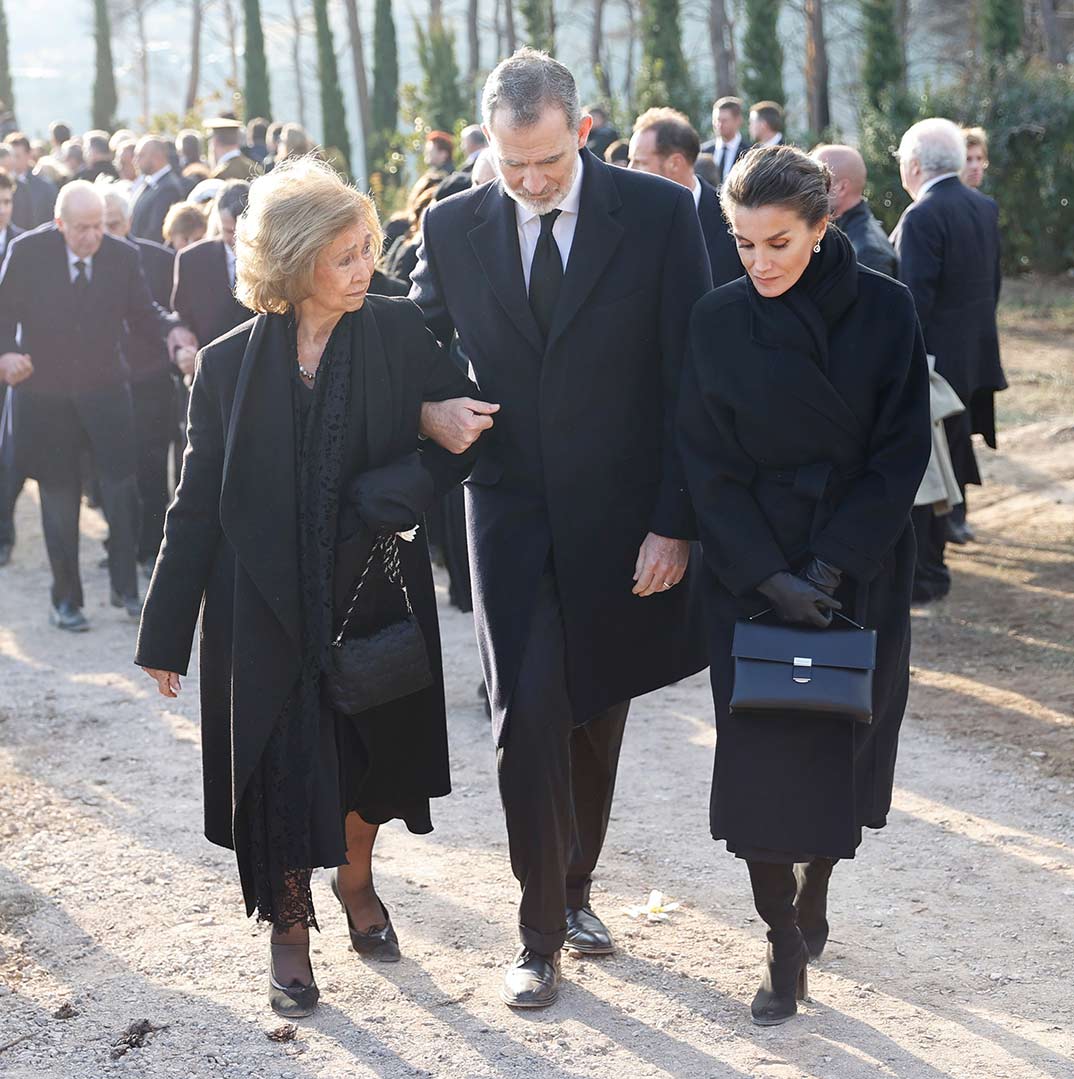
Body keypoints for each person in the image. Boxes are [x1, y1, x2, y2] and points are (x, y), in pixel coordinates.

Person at [134, 156, 480, 1019]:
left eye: (367, 248)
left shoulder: (399, 332)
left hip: (370, 588)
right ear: (292, 264)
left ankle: (355, 877)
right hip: (264, 606)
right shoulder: (223, 367)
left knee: (367, 755)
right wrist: (165, 630)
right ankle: (289, 927)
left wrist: (398, 481)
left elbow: (473, 432)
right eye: (345, 256)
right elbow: (197, 503)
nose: (366, 267)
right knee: (281, 764)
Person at [411, 48, 711, 1009]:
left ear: (582, 131)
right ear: (489, 144)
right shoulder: (452, 223)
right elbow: (419, 343)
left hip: (623, 516)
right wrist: (432, 410)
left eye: (546, 160)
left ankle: (576, 887)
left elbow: (687, 376)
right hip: (503, 508)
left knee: (595, 705)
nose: (532, 182)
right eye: (512, 163)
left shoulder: (660, 215)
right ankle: (537, 929)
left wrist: (674, 523)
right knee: (525, 708)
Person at [677, 145, 931, 1026]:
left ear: (823, 228)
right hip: (751, 572)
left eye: (778, 243)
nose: (759, 263)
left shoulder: (889, 311)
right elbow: (705, 464)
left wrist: (828, 566)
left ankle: (817, 885)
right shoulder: (716, 321)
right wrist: (769, 574)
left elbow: (903, 450)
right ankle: (781, 936)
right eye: (743, 244)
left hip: (855, 569)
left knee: (841, 750)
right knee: (759, 761)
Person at [0, 181, 195, 630]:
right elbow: (3, 313)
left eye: (98, 227)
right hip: (45, 396)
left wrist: (172, 334)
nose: (93, 237)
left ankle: (126, 588)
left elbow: (144, 313)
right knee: (59, 496)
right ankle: (65, 600)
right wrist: (6, 354)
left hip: (106, 392)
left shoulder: (122, 256)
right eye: (82, 228)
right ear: (59, 223)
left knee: (121, 490)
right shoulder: (28, 253)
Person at [891, 118, 1006, 554]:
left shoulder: (921, 214)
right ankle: (956, 519)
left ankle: (946, 526)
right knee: (960, 434)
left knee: (944, 441)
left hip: (938, 353)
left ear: (915, 165)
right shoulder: (983, 205)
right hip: (976, 344)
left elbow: (914, 300)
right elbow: (993, 283)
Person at [103, 189, 179, 573]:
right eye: (102, 226)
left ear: (129, 222)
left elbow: (166, 310)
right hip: (105, 380)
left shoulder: (158, 259)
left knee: (151, 466)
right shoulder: (89, 259)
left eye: (114, 224)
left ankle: (151, 545)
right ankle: (120, 541)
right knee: (115, 466)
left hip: (149, 377)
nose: (108, 233)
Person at [629, 107, 742, 287]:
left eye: (640, 162)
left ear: (675, 163)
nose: (630, 170)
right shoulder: (627, 220)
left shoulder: (733, 220)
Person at [171, 181, 253, 353]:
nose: (235, 240)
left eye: (242, 232)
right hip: (209, 367)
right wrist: (182, 346)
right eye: (228, 231)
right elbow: (181, 315)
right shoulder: (192, 260)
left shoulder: (272, 261)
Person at [812, 144, 897, 277]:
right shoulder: (835, 232)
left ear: (841, 188)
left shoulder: (868, 251)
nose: (808, 188)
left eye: (816, 181)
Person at [0, 170, 24, 566]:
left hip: (12, 364)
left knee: (6, 454)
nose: (2, 210)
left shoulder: (24, 245)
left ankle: (4, 533)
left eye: (6, 202)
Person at [129, 136, 186, 245]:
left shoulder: (168, 188)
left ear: (157, 157)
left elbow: (155, 233)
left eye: (140, 156)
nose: (134, 161)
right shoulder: (151, 183)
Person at [5, 132, 58, 229]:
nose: (12, 161)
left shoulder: (44, 187)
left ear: (28, 155)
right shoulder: (3, 185)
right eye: (10, 156)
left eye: (17, 156)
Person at [701, 96, 751, 184]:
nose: (719, 125)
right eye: (716, 120)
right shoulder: (704, 151)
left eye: (724, 120)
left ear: (738, 121)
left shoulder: (749, 152)